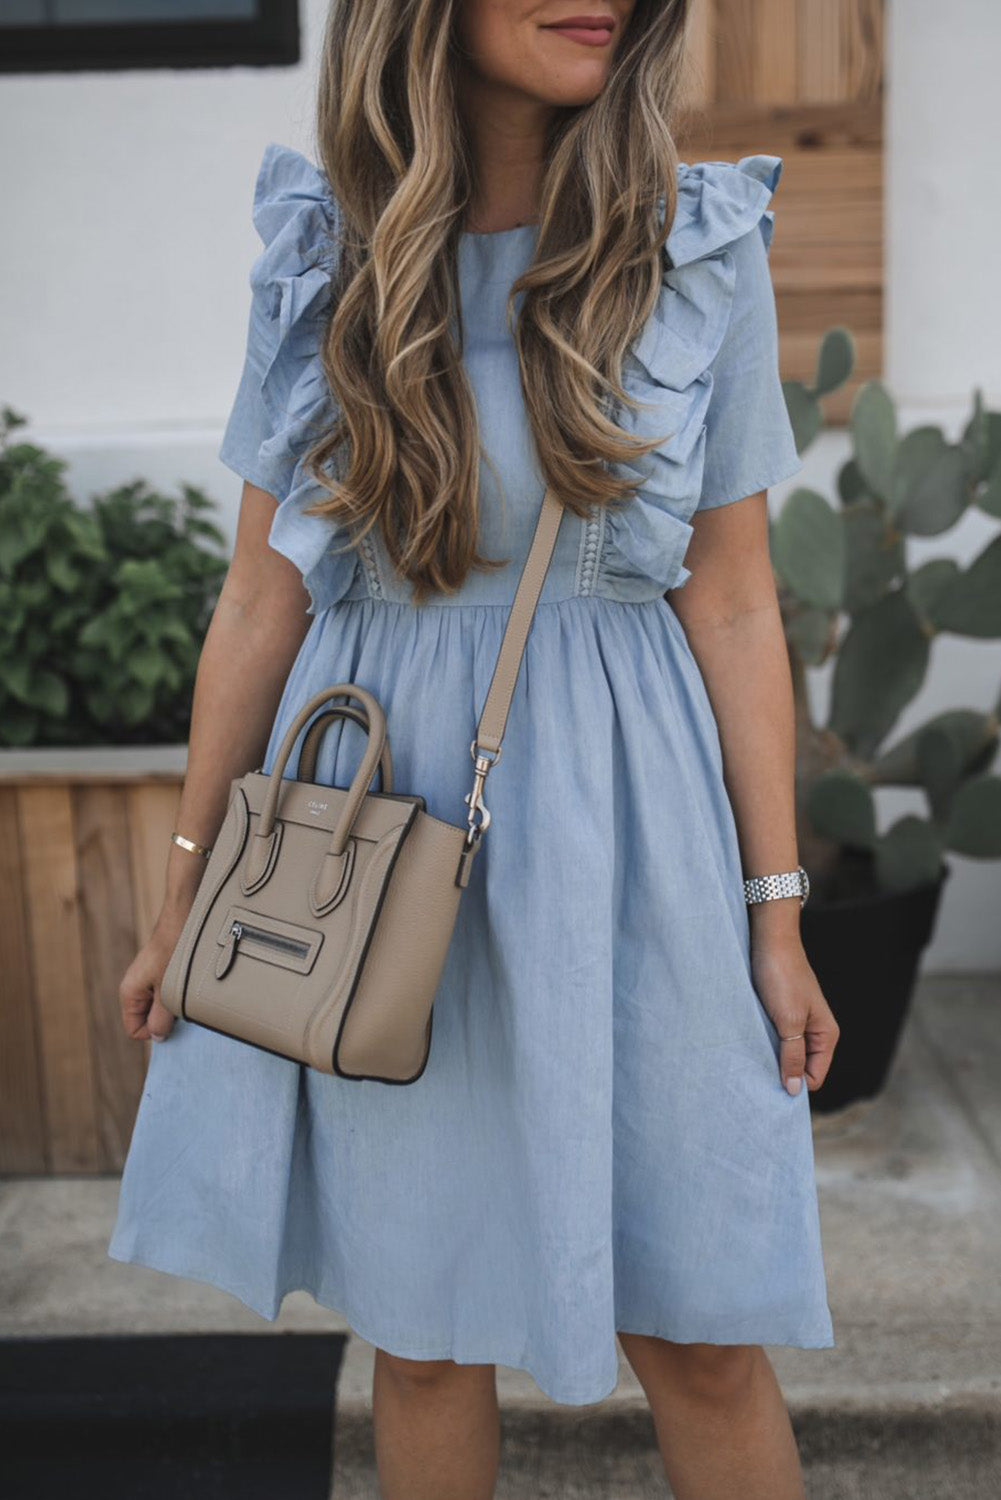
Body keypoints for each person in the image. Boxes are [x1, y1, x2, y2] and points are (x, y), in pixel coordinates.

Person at [109, 2, 839, 1496]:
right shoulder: (326, 253)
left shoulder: (688, 245)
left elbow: (739, 603)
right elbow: (259, 597)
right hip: (377, 837)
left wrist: (776, 914)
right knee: (426, 1328)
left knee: (700, 1325)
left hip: (633, 832)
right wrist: (185, 887)